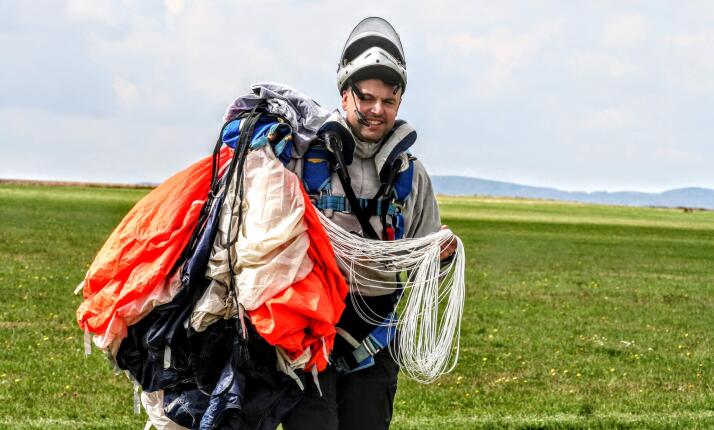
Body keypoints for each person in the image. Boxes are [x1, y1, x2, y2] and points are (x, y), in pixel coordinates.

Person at [281, 17, 457, 430]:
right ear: (345, 96)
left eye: (389, 101)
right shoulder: (301, 161)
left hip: (374, 338)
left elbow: (419, 259)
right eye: (366, 98)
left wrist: (440, 256)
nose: (377, 110)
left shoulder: (411, 175)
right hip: (308, 332)